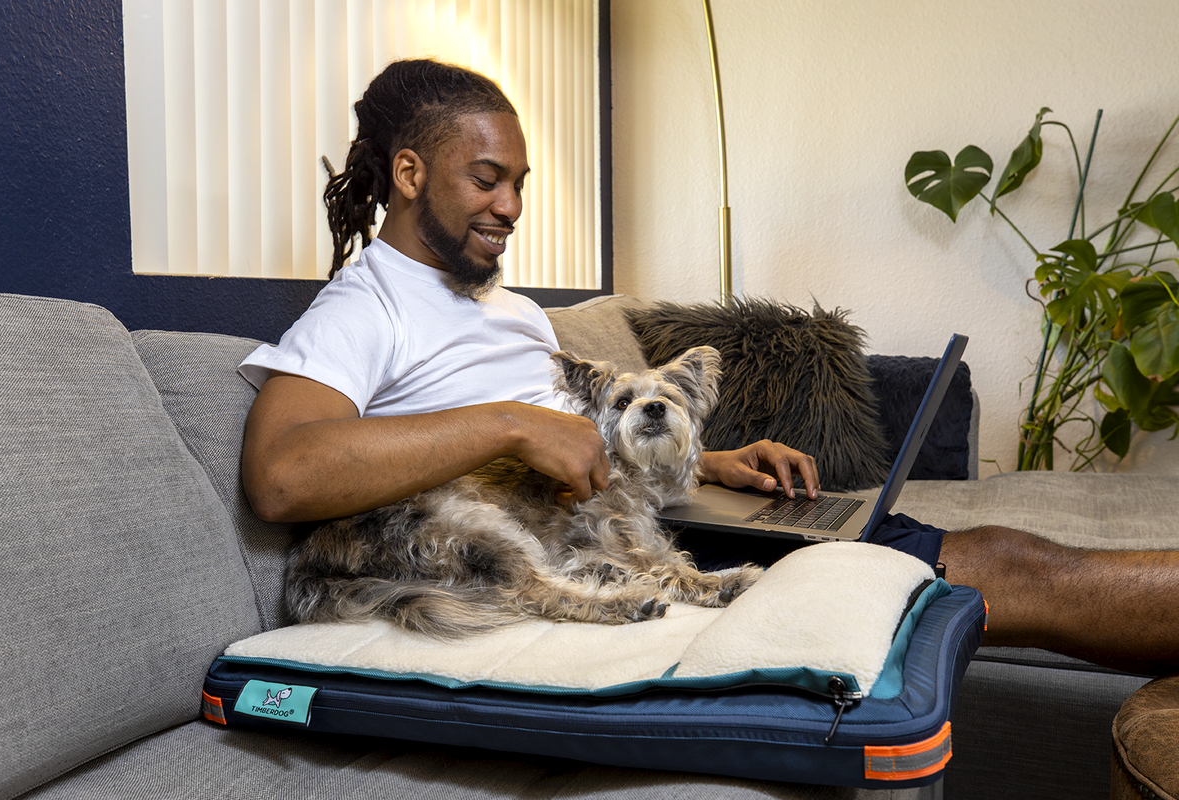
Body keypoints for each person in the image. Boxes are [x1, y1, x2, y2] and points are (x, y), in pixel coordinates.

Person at [240, 58, 1179, 675]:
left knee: (984, 550)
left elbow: (601, 450)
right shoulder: (366, 305)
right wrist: (511, 424)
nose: (510, 204)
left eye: (519, 182)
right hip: (561, 554)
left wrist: (715, 467)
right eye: (486, 177)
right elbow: (283, 475)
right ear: (409, 175)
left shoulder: (508, 309)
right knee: (1006, 563)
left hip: (627, 523)